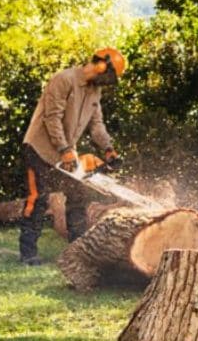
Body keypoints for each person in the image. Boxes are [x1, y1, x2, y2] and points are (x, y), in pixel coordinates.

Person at [17, 47, 125, 265]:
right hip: (38, 148)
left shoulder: (95, 91)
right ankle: (27, 253)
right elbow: (52, 118)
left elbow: (96, 124)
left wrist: (108, 148)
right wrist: (64, 149)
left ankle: (78, 250)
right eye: (111, 77)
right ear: (102, 64)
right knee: (37, 199)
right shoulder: (64, 80)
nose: (109, 82)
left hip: (65, 152)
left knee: (78, 195)